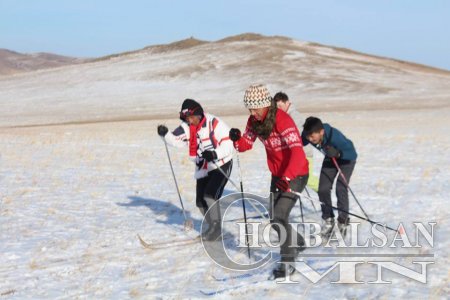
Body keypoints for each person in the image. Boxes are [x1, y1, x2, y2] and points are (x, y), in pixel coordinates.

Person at [229, 84, 309, 279]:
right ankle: (297, 242)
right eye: (249, 108)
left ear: (265, 104)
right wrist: (236, 139)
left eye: (255, 108)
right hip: (278, 175)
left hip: (296, 173)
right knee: (274, 217)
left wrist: (288, 177)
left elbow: (297, 152)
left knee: (280, 216)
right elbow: (245, 144)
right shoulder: (254, 121)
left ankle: (288, 263)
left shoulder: (283, 120)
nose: (252, 112)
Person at [157, 99, 234, 241]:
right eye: (187, 118)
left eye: (192, 117)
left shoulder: (214, 123)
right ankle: (213, 226)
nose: (190, 121)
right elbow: (176, 140)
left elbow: (229, 143)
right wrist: (165, 134)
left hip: (221, 164)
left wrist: (214, 154)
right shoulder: (187, 126)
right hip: (203, 167)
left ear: (199, 114)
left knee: (210, 195)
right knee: (200, 202)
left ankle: (216, 230)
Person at [302, 117, 357, 238]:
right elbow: (300, 142)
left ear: (321, 132)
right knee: (323, 188)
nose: (310, 140)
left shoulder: (335, 136)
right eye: (308, 137)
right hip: (330, 158)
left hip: (347, 158)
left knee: (340, 187)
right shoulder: (308, 135)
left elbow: (352, 153)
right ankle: (328, 219)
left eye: (312, 137)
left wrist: (338, 154)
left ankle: (343, 221)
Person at [273, 92, 319, 192]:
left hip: (303, 153)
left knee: (309, 179)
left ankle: (324, 191)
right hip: (295, 154)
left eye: (280, 106)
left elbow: (296, 136)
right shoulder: (284, 116)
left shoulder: (294, 116)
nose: (278, 109)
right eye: (277, 107)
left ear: (287, 103)